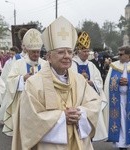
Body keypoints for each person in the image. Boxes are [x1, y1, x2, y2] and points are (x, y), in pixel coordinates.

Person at [12, 16, 101, 150]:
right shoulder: (34, 83)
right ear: (48, 57)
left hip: (79, 142)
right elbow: (29, 120)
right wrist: (62, 117)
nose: (66, 56)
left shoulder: (79, 80)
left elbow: (94, 103)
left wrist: (80, 113)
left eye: (70, 52)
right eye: (61, 52)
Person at [2, 28, 46, 136]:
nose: (36, 54)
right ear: (27, 50)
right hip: (23, 105)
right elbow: (10, 80)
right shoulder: (19, 63)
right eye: (33, 52)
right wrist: (22, 78)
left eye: (38, 52)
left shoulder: (45, 64)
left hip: (42, 104)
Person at [71, 31, 108, 141]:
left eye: (87, 51)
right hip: (77, 99)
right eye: (84, 51)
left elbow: (99, 81)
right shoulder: (71, 64)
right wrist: (80, 79)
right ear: (78, 51)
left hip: (89, 100)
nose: (86, 53)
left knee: (89, 128)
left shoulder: (91, 65)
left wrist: (92, 82)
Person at [104, 46, 130, 150]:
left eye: (121, 54)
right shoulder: (114, 66)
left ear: (128, 55)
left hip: (128, 100)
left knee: (126, 120)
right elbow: (108, 83)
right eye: (118, 54)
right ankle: (120, 144)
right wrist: (117, 82)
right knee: (119, 121)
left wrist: (128, 83)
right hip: (117, 100)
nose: (118, 56)